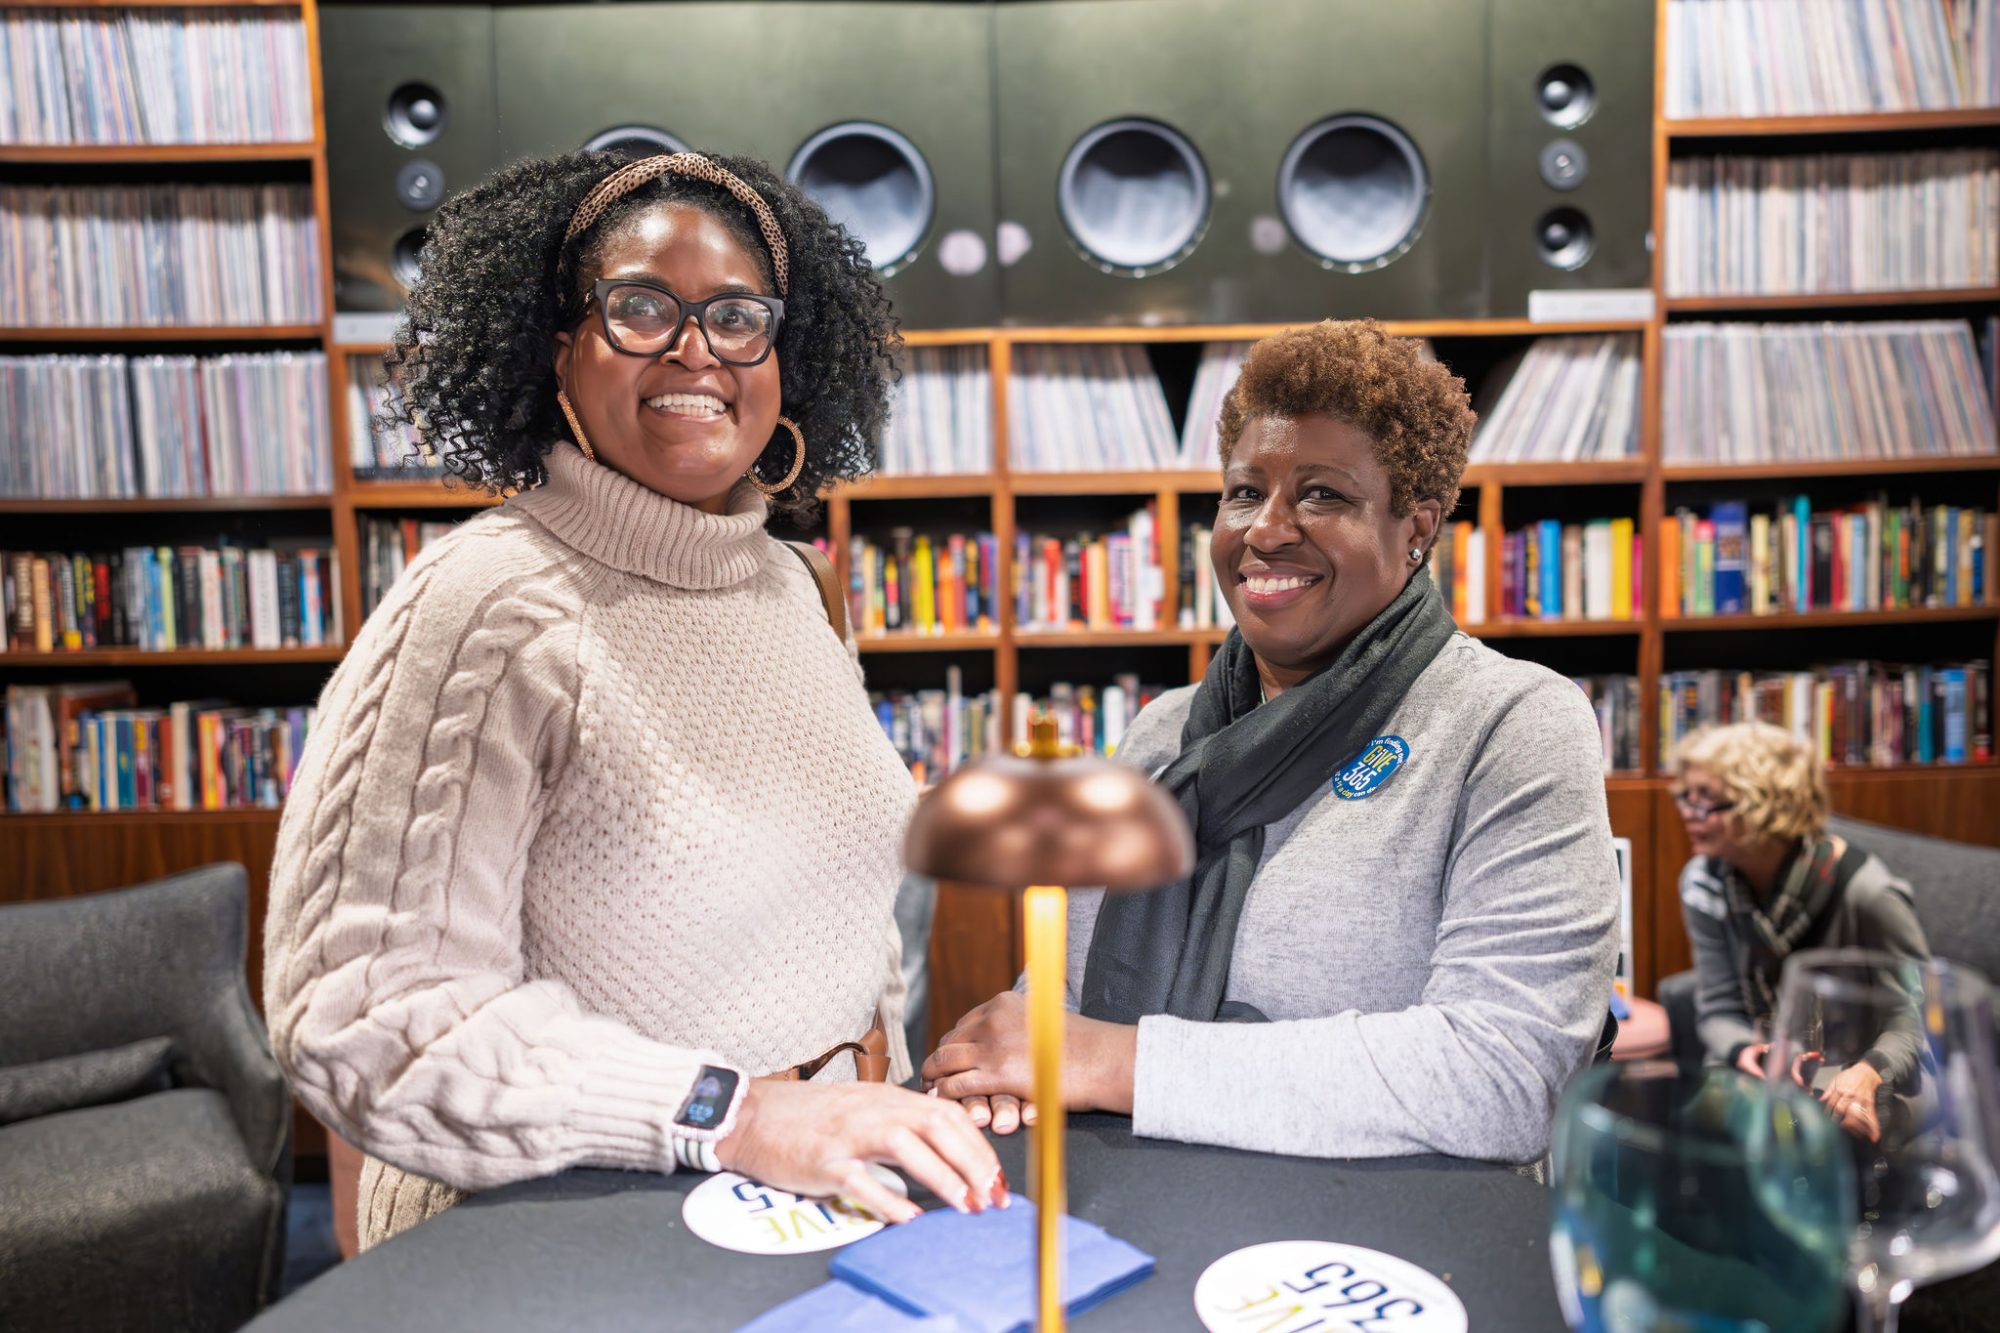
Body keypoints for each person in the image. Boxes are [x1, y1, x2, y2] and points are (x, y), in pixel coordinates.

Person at [263, 149, 1001, 1249]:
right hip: (558, 1234)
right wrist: (737, 1113)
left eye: (738, 317)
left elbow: (839, 915)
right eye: (641, 308)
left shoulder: (795, 584)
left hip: (814, 1210)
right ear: (560, 348)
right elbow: (367, 1018)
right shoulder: (483, 609)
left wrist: (885, 1089)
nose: (696, 349)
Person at [922, 320, 1619, 1163]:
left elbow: (1507, 1076)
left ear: (1416, 529)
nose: (1265, 529)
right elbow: (1059, 999)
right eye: (1245, 491)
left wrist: (1112, 1062)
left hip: (1381, 1254)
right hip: (1129, 1211)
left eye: (1322, 494)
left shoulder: (1512, 722)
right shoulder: (1161, 731)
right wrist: (1002, 1073)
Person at [1672, 721, 1929, 1142]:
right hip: (1773, 1069)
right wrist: (1750, 1052)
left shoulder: (1868, 893)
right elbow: (1718, 1010)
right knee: (1698, 1125)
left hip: (1868, 1074)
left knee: (1834, 1136)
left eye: (1708, 800)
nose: (1687, 811)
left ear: (1763, 803)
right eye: (1687, 796)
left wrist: (1868, 1072)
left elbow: (1913, 1017)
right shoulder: (1704, 883)